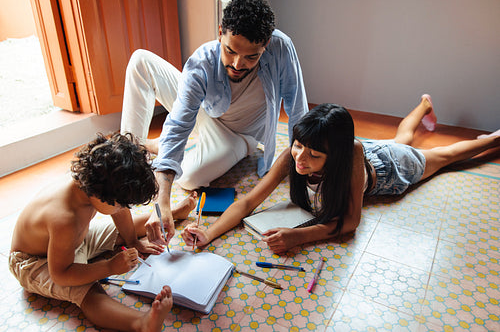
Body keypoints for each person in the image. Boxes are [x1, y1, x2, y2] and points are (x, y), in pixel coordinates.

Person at [181, 95, 500, 254]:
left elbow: (350, 221)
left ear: (336, 156)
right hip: (361, 148)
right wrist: (208, 234)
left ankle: (493, 139)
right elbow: (249, 201)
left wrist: (299, 236)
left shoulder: (350, 158)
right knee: (401, 137)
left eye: (313, 155)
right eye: (298, 146)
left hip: (391, 167)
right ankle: (423, 105)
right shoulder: (301, 150)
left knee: (445, 157)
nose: (300, 159)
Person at [120, 0, 308, 248]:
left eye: (250, 57)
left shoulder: (281, 47)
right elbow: (179, 123)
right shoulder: (202, 63)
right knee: (140, 60)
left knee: (187, 178)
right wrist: (161, 202)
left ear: (266, 45)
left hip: (237, 135)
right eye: (230, 51)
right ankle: (124, 155)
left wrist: (303, 162)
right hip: (203, 111)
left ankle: (158, 145)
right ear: (221, 33)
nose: (238, 64)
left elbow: (297, 108)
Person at [9, 133, 196, 332]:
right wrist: (109, 267)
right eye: (120, 205)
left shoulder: (93, 185)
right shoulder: (64, 219)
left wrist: (133, 241)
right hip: (35, 261)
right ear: (100, 195)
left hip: (74, 241)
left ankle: (172, 213)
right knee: (87, 291)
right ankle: (141, 323)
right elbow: (61, 274)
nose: (123, 208)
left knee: (124, 228)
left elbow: (120, 213)